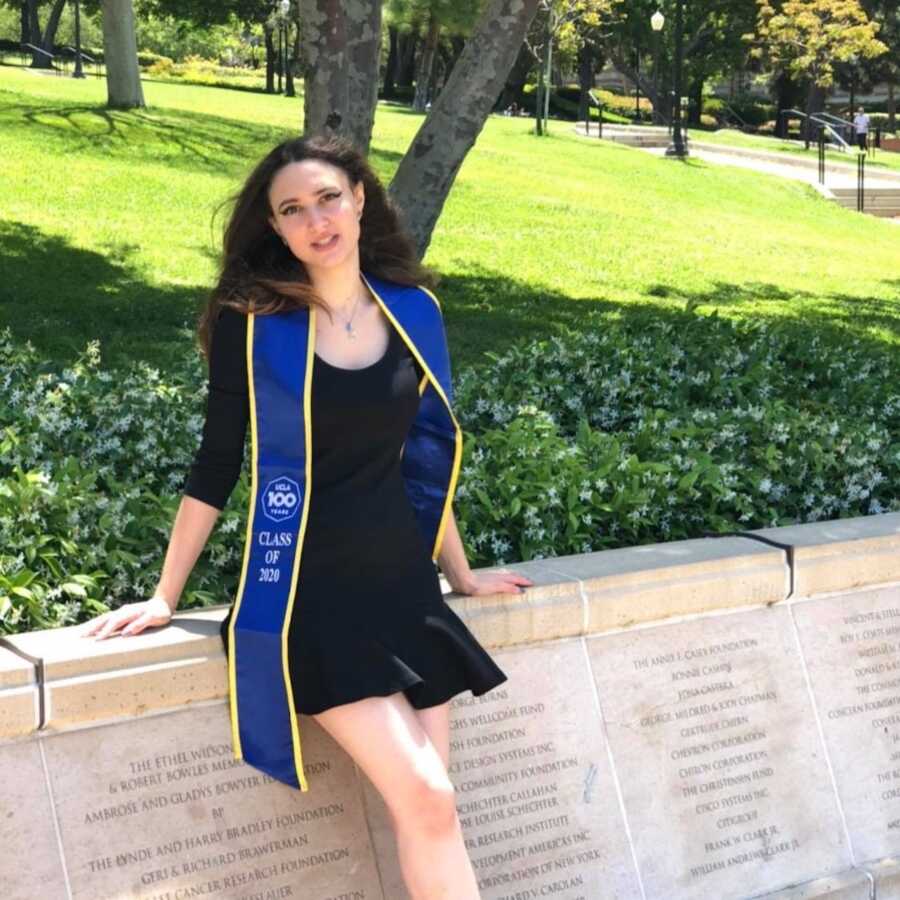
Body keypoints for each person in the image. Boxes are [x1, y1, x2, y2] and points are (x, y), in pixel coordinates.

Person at [80, 133, 533, 898]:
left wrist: (459, 574)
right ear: (276, 229)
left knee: (432, 810)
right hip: (309, 597)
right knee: (429, 798)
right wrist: (165, 594)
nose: (316, 220)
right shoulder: (255, 325)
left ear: (360, 198)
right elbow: (217, 462)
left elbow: (424, 458)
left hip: (403, 590)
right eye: (293, 209)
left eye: (328, 198)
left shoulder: (415, 312)